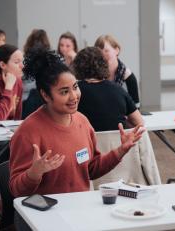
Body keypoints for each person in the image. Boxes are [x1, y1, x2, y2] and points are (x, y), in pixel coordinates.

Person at [9, 48, 145, 197]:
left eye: (75, 87)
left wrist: (120, 151)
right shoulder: (27, 132)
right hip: (44, 214)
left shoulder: (82, 121)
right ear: (45, 95)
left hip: (80, 208)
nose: (74, 96)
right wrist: (34, 173)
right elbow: (16, 190)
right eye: (64, 92)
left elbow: (91, 169)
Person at [72, 47, 143, 131]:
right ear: (104, 65)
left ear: (78, 67)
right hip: (118, 143)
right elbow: (139, 122)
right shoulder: (118, 90)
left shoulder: (74, 92)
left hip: (86, 142)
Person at [94, 35, 140, 108]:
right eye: (99, 52)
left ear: (117, 50)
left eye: (106, 51)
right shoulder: (93, 76)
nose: (102, 55)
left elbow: (136, 107)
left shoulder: (128, 77)